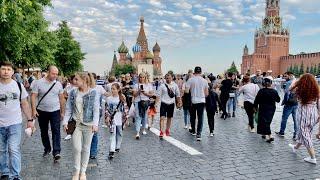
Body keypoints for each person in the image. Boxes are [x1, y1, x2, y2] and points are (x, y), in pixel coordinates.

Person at [0, 61, 34, 180]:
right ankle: (4, 171)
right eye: (3, 69)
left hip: (15, 123)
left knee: (13, 148)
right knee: (1, 149)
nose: (5, 72)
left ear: (12, 72)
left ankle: (15, 175)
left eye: (8, 69)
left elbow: (24, 103)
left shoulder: (18, 85)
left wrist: (30, 119)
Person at [63, 72, 99, 180]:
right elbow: (68, 108)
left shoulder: (94, 93)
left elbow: (96, 110)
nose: (74, 81)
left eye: (76, 79)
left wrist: (95, 124)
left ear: (84, 80)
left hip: (89, 124)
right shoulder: (73, 92)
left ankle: (83, 172)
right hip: (76, 124)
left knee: (86, 148)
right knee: (76, 148)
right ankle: (76, 170)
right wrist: (65, 121)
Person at [31, 66, 65, 161]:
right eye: (53, 73)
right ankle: (47, 148)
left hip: (55, 111)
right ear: (48, 72)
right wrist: (34, 110)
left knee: (56, 131)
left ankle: (56, 152)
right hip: (42, 111)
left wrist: (62, 112)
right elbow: (33, 96)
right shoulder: (38, 83)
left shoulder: (58, 84)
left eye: (56, 74)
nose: (55, 76)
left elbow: (61, 98)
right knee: (44, 131)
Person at [288, 74, 320, 165]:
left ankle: (312, 157)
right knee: (306, 132)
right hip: (313, 115)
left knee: (305, 135)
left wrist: (296, 80)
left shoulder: (299, 90)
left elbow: (290, 89)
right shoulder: (317, 91)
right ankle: (296, 147)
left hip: (303, 114)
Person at [185, 66, 208, 141]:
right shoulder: (205, 81)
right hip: (201, 100)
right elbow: (206, 93)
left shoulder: (191, 80)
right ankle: (199, 134)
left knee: (193, 116)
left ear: (194, 72)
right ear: (201, 72)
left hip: (193, 100)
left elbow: (186, 91)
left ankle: (193, 130)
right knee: (200, 117)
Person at [105, 83, 128, 159]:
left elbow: (125, 108)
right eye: (111, 89)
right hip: (113, 118)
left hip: (120, 117)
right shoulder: (108, 98)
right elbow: (107, 109)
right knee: (112, 134)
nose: (112, 90)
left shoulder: (121, 97)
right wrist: (107, 117)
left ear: (118, 90)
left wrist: (126, 118)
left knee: (120, 132)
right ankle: (112, 150)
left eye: (114, 89)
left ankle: (117, 146)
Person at [254, 78, 280, 143]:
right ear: (270, 84)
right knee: (267, 121)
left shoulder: (261, 91)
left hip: (263, 108)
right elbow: (278, 100)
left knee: (264, 122)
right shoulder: (274, 91)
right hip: (271, 109)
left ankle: (270, 136)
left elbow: (256, 100)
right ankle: (263, 134)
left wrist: (255, 108)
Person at [157, 73, 181, 138]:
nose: (168, 79)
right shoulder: (162, 86)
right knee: (162, 118)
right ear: (165, 78)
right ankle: (161, 131)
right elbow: (158, 95)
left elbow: (178, 95)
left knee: (169, 118)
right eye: (167, 78)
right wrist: (156, 104)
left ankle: (167, 130)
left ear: (172, 78)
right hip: (164, 103)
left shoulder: (175, 85)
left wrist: (179, 102)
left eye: (169, 78)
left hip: (171, 104)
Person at [89, 73, 108, 160]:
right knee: (87, 132)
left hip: (96, 112)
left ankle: (93, 151)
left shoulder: (99, 88)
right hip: (86, 112)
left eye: (91, 78)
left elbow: (107, 94)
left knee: (94, 132)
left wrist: (117, 92)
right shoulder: (85, 88)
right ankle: (87, 150)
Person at [276, 72, 298, 139]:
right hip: (296, 103)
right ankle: (295, 134)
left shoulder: (288, 83)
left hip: (289, 104)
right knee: (295, 119)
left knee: (284, 118)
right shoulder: (296, 81)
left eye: (285, 76)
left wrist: (284, 102)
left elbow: (287, 94)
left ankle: (282, 132)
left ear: (290, 76)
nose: (284, 78)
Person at [132, 72, 154, 139]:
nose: (142, 78)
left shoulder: (149, 85)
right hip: (138, 102)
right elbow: (134, 95)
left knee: (144, 117)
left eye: (143, 77)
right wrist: (139, 91)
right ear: (139, 78)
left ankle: (143, 129)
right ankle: (137, 132)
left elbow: (151, 95)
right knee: (138, 117)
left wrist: (145, 93)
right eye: (140, 77)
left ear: (145, 78)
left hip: (146, 102)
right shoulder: (136, 85)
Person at [63, 75, 76, 140]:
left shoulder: (79, 87)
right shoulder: (68, 87)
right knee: (70, 118)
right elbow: (64, 94)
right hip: (69, 104)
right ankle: (69, 133)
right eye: (73, 79)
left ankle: (72, 132)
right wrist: (69, 98)